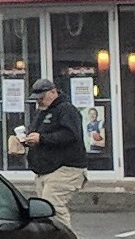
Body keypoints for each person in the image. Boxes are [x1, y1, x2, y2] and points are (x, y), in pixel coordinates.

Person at [17, 76, 92, 219]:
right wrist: (26, 140)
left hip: (66, 169)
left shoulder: (67, 110)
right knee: (43, 211)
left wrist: (42, 138)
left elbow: (70, 135)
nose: (39, 101)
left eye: (41, 97)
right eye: (36, 98)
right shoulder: (41, 112)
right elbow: (38, 135)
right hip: (45, 170)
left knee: (52, 207)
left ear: (53, 92)